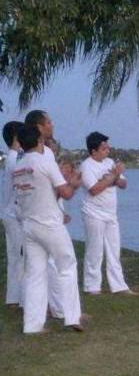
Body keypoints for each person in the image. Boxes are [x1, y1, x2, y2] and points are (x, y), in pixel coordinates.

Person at [13, 124, 84, 334]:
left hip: (29, 224)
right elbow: (66, 193)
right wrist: (74, 184)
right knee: (67, 266)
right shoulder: (45, 162)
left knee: (36, 274)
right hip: (50, 223)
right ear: (39, 141)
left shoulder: (19, 166)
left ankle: (33, 325)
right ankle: (71, 316)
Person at [80, 132, 137, 296]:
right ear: (93, 151)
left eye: (108, 147)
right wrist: (112, 176)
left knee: (114, 250)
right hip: (93, 213)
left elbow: (123, 183)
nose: (107, 151)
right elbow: (94, 189)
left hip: (111, 214)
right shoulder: (86, 166)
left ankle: (119, 285)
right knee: (95, 250)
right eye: (104, 148)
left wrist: (117, 175)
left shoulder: (110, 162)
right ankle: (92, 286)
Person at [2, 121, 25, 308]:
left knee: (15, 257)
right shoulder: (13, 158)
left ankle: (13, 297)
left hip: (9, 213)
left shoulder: (13, 157)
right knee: (21, 255)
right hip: (14, 214)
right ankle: (21, 298)